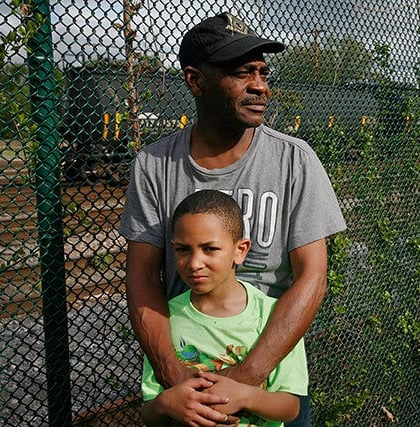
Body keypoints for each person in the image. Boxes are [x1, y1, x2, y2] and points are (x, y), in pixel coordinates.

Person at [119, 11, 346, 426]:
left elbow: (312, 276)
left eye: (262, 72)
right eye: (242, 72)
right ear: (195, 81)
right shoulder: (155, 164)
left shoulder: (294, 161)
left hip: (272, 380)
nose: (260, 85)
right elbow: (141, 278)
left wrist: (246, 379)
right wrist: (175, 379)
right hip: (189, 381)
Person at [142, 189, 307, 427]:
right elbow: (149, 413)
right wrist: (165, 404)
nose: (195, 263)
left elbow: (291, 407)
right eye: (182, 249)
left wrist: (247, 396)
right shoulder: (163, 319)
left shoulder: (274, 316)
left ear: (240, 250)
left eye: (209, 249)